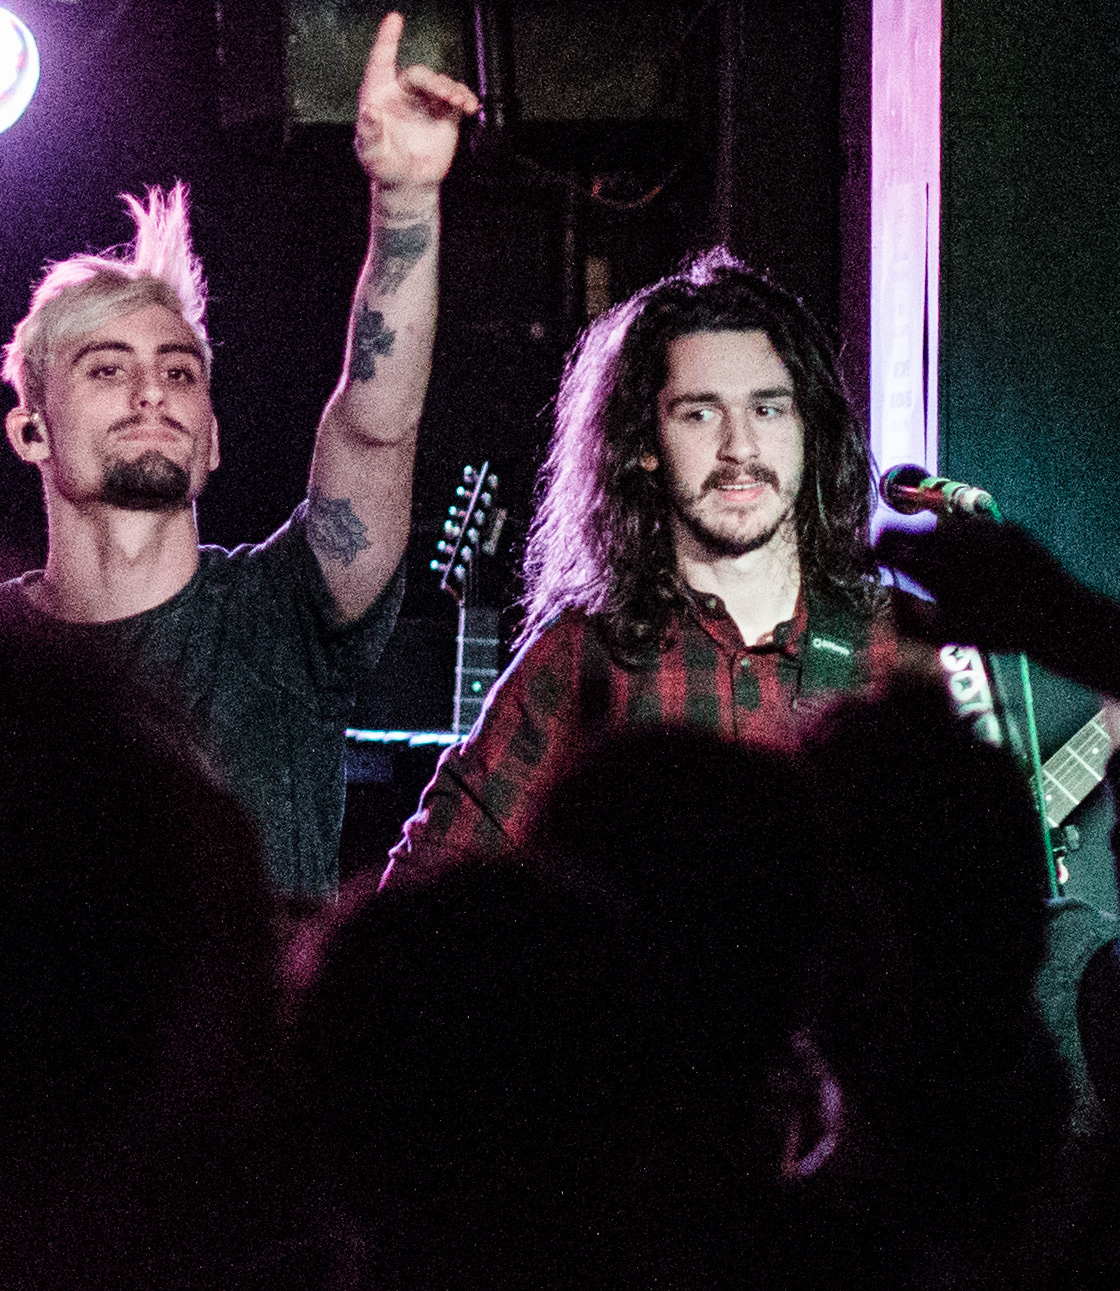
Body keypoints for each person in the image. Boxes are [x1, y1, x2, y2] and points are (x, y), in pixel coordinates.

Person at [0, 12, 475, 902]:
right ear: (32, 431)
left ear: (211, 438)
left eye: (178, 370)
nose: (151, 392)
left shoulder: (280, 613)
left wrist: (404, 206)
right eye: (106, 369)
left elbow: (376, 426)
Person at [390, 247, 920, 877]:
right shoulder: (581, 659)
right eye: (700, 414)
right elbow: (423, 897)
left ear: (811, 430)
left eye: (767, 409)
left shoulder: (906, 648)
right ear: (645, 445)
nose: (739, 447)